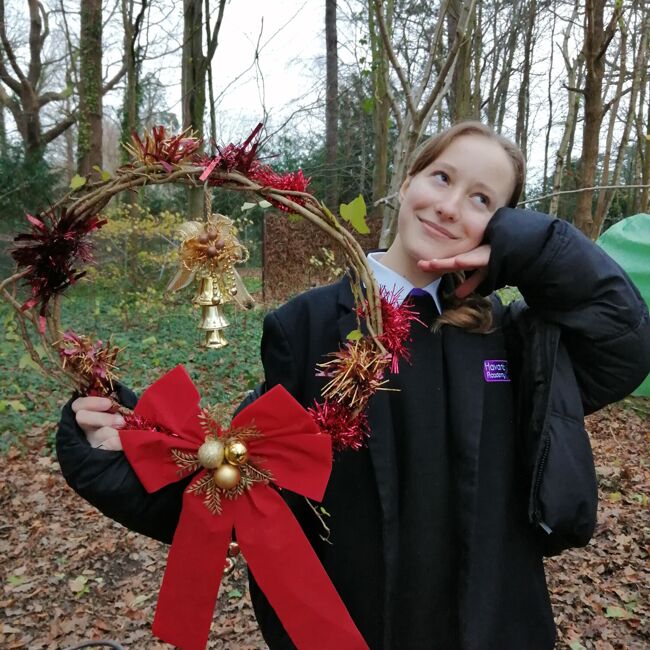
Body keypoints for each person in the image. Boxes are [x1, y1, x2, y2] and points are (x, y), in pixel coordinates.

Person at [57, 121, 650, 649]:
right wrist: (122, 447)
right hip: (358, 624)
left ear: (503, 227)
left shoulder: (508, 338)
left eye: (481, 200)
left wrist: (533, 249)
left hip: (494, 623)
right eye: (441, 178)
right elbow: (241, 478)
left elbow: (625, 343)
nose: (449, 207)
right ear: (407, 180)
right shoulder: (310, 326)